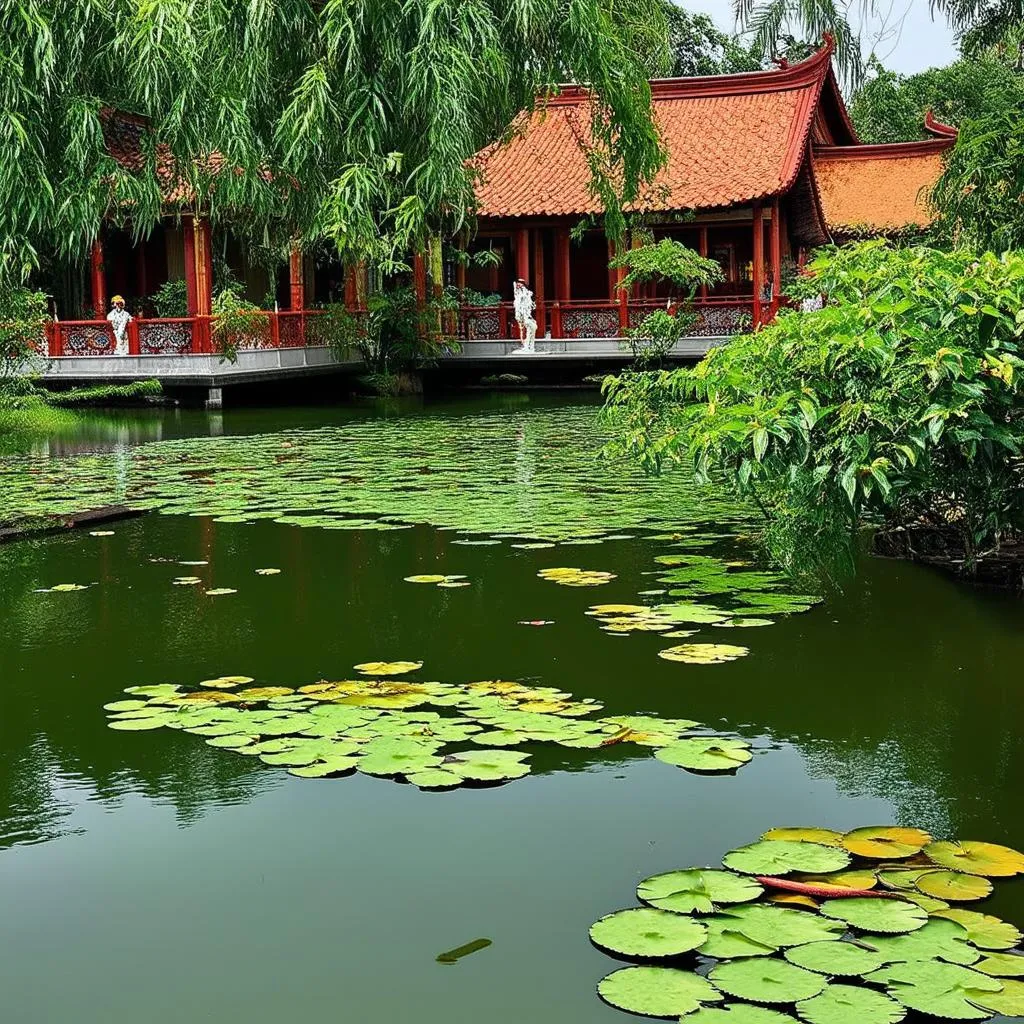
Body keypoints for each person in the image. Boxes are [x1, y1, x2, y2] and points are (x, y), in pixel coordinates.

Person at [512, 278, 537, 353]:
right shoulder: (518, 293)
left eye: (520, 284)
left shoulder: (527, 293)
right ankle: (528, 347)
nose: (518, 285)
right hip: (522, 314)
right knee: (528, 330)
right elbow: (517, 304)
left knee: (531, 328)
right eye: (518, 283)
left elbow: (532, 305)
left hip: (526, 315)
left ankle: (529, 347)